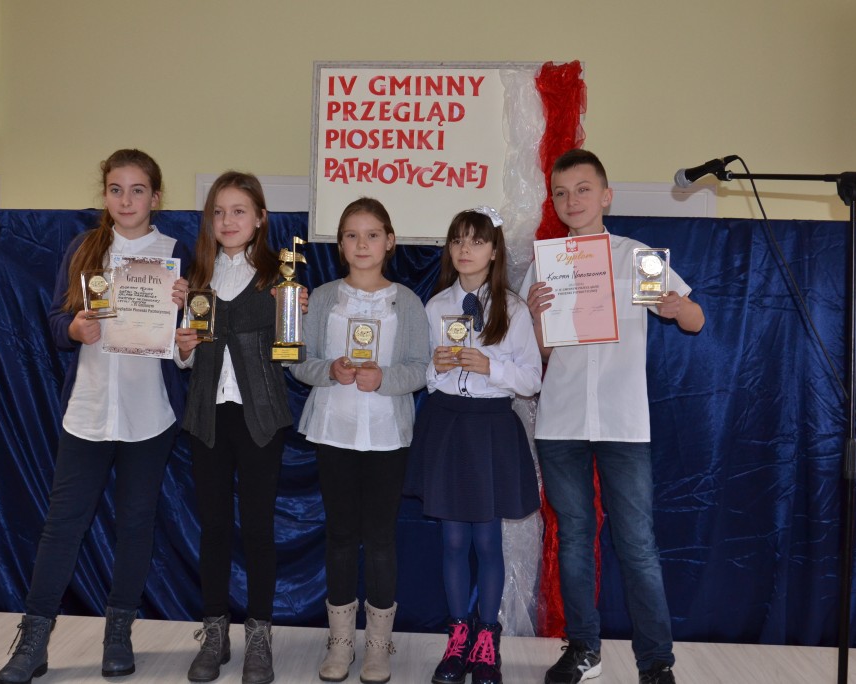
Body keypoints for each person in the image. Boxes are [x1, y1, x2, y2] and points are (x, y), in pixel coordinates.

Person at [0, 149, 191, 683]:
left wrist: (185, 323)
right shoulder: (84, 247)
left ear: (155, 197)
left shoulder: (176, 253)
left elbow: (189, 342)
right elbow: (58, 322)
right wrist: (74, 329)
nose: (126, 200)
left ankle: (118, 635)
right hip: (88, 409)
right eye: (115, 189)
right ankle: (32, 642)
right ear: (105, 195)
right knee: (62, 526)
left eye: (137, 190)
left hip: (150, 415)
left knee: (135, 525)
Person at [521, 149, 705, 684]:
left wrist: (677, 308)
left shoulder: (638, 258)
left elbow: (695, 320)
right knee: (574, 538)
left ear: (606, 196)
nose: (572, 200)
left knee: (636, 543)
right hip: (561, 421)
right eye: (561, 193)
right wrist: (536, 317)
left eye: (583, 189)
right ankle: (584, 650)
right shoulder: (545, 264)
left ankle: (656, 662)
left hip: (623, 422)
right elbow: (542, 353)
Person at [289, 198, 430, 683]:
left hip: (388, 435)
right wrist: (329, 369)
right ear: (340, 244)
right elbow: (297, 360)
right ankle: (341, 641)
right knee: (341, 536)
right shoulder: (322, 297)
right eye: (351, 235)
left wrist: (385, 378)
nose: (362, 244)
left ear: (390, 241)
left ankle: (378, 644)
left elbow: (420, 367)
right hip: (334, 430)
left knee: (382, 539)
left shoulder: (407, 302)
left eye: (372, 235)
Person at [174, 171, 300, 684]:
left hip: (259, 419)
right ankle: (215, 633)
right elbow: (184, 356)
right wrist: (183, 347)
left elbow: (292, 356)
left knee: (259, 529)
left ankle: (260, 637)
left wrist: (295, 316)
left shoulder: (281, 279)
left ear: (260, 218)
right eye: (219, 212)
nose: (228, 221)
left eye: (239, 211)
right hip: (208, 417)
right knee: (214, 528)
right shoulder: (195, 278)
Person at [407, 207, 542, 684]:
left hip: (490, 427)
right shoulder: (435, 306)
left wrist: (491, 368)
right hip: (447, 424)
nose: (466, 250)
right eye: (458, 240)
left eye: (477, 241)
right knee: (452, 539)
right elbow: (424, 373)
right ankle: (458, 636)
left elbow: (531, 379)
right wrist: (436, 368)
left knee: (486, 539)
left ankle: (487, 640)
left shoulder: (514, 308)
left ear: (494, 251)